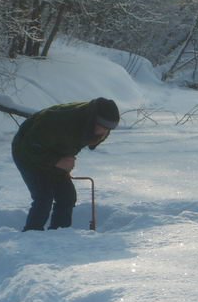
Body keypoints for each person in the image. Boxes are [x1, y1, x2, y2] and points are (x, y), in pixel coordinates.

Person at [12, 97, 119, 231]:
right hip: (27, 151)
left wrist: (63, 160)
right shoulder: (59, 122)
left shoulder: (94, 125)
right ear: (93, 120)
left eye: (109, 129)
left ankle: (59, 234)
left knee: (67, 197)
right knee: (44, 197)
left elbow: (75, 140)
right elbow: (30, 147)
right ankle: (31, 236)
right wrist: (57, 161)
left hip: (55, 152)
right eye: (103, 127)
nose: (104, 133)